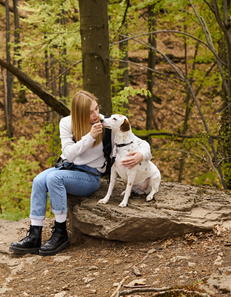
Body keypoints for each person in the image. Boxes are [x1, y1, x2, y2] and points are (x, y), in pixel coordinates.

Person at [9, 91, 152, 256]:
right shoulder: (66, 123)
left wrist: (142, 154)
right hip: (67, 167)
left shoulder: (108, 124)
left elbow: (140, 142)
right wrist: (89, 137)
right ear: (78, 113)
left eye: (96, 109)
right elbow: (69, 154)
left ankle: (60, 234)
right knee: (38, 181)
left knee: (54, 178)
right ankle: (34, 235)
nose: (96, 114)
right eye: (90, 112)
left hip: (90, 176)